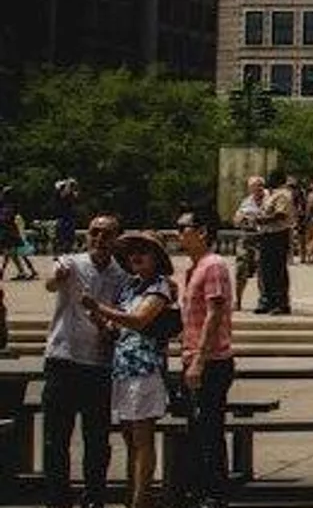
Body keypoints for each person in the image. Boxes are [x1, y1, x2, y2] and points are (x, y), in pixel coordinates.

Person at [81, 230, 178, 508]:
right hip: (123, 369)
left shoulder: (159, 286)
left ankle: (140, 500)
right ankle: (133, 495)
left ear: (156, 258)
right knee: (129, 438)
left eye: (143, 251)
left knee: (142, 438)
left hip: (145, 370)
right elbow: (116, 330)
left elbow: (138, 320)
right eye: (132, 251)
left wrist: (100, 307)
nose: (136, 256)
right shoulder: (130, 287)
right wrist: (99, 319)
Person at [42, 214, 128, 508]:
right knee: (56, 439)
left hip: (98, 364)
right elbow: (51, 283)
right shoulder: (72, 263)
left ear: (117, 239)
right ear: (87, 236)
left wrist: (105, 324)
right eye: (94, 233)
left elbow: (120, 320)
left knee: (97, 441)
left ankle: (94, 497)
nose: (99, 239)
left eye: (107, 234)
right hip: (62, 359)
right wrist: (57, 278)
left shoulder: (121, 276)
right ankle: (57, 498)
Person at [175, 207, 235, 508]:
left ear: (202, 232)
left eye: (183, 227)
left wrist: (199, 358)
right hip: (195, 357)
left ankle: (214, 492)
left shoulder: (213, 265)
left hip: (211, 360)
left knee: (209, 428)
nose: (178, 233)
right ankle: (198, 487)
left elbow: (214, 313)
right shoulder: (193, 268)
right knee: (197, 428)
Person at [253, 171, 295, 315]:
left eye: (271, 178)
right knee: (265, 270)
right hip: (267, 234)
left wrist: (262, 220)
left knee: (277, 269)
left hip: (278, 235)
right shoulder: (270, 194)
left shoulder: (283, 194)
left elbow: (280, 214)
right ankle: (267, 300)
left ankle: (281, 302)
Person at [231, 176, 265, 311]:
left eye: (260, 185)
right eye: (254, 186)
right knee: (240, 269)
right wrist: (240, 219)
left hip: (262, 238)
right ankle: (238, 301)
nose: (258, 188)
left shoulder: (269, 200)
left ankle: (263, 300)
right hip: (246, 237)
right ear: (250, 188)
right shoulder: (246, 202)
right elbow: (235, 219)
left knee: (262, 270)